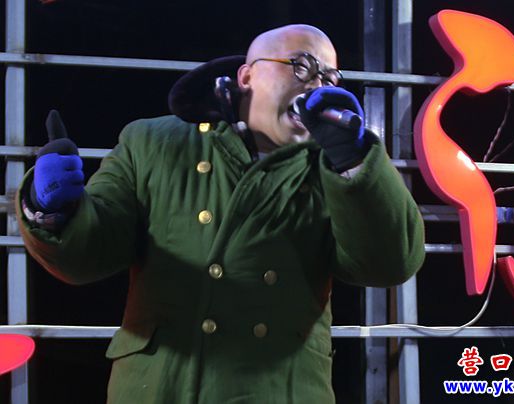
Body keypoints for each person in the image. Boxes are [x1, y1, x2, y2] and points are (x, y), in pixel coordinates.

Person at [16, 24, 425, 403]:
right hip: (161, 386)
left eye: (329, 77)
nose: (316, 85)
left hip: (279, 389)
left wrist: (354, 163)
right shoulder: (154, 142)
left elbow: (389, 263)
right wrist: (52, 209)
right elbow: (91, 253)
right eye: (301, 66)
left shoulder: (334, 166)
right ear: (247, 76)